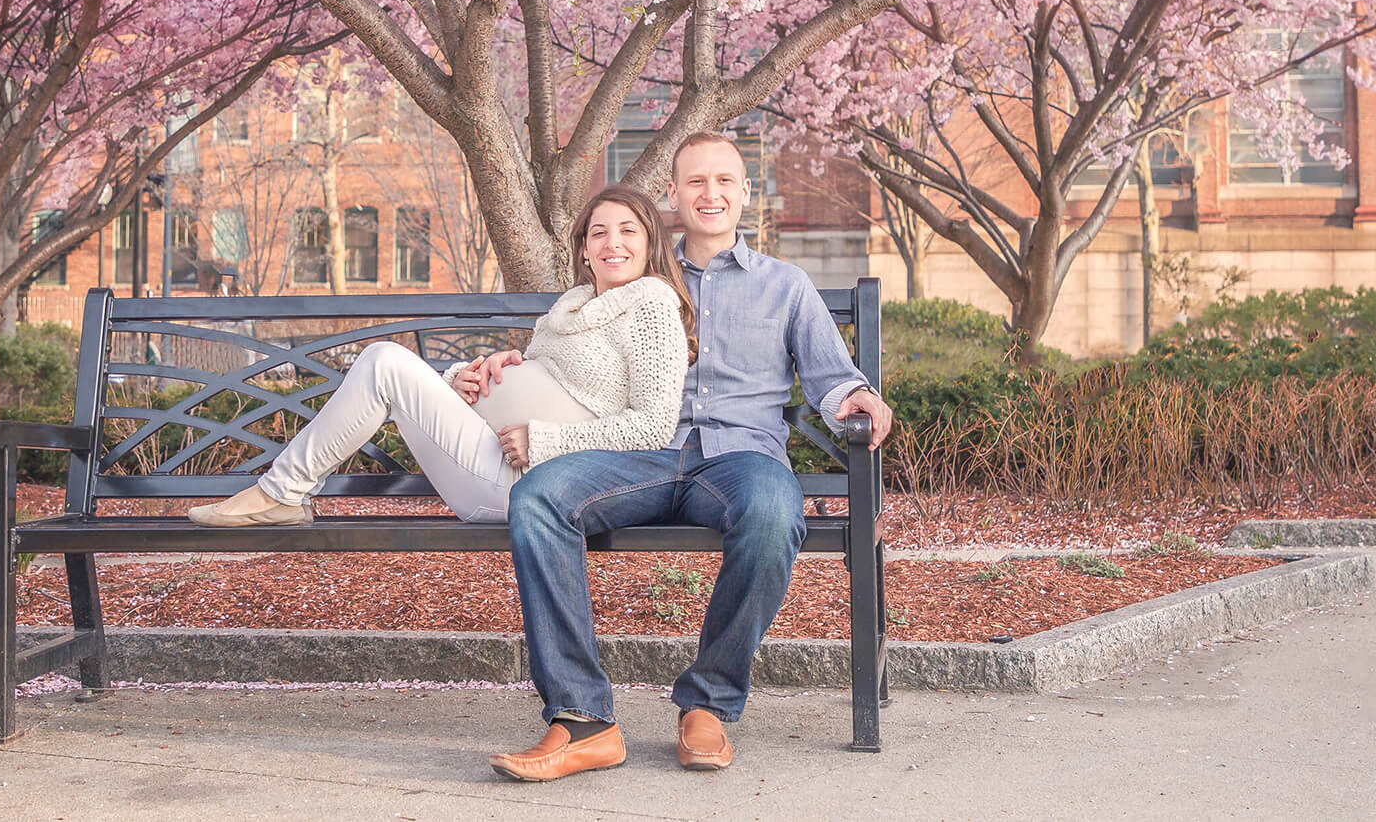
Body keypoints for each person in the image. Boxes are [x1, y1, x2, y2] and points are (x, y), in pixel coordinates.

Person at [487, 132, 895, 782]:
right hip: (641, 452)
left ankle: (707, 701)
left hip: (740, 458)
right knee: (538, 497)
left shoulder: (785, 286)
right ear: (672, 194)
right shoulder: (639, 271)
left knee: (771, 511)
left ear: (744, 193)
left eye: (725, 181)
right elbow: (567, 350)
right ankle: (584, 718)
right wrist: (513, 368)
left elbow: (831, 377)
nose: (711, 193)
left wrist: (860, 396)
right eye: (696, 182)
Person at [185, 185, 694, 527]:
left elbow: (651, 428)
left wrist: (544, 439)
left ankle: (281, 493)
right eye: (599, 232)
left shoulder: (651, 309)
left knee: (385, 361)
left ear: (650, 242)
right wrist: (465, 380)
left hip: (533, 485)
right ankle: (281, 493)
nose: (613, 243)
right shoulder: (572, 308)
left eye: (628, 230)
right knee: (385, 362)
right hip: (489, 458)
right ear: (583, 248)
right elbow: (543, 383)